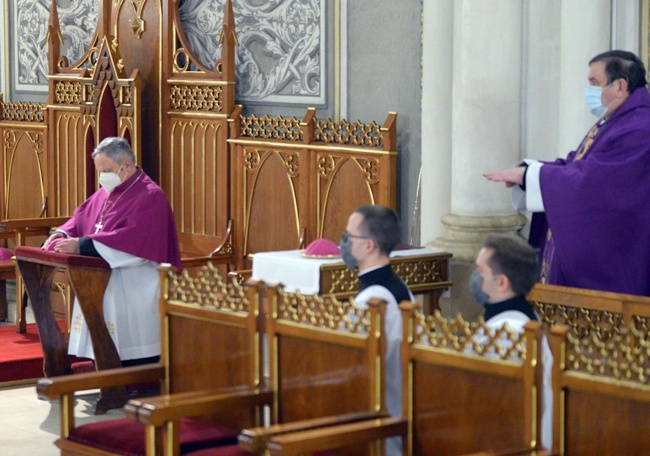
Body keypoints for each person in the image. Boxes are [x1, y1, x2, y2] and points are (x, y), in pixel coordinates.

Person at [484, 50, 650, 296]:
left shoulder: (639, 126)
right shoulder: (617, 120)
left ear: (620, 86)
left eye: (594, 82)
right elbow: (575, 164)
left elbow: (597, 181)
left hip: (619, 263)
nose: (589, 90)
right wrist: (529, 172)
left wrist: (532, 177)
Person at [42, 137, 181, 366]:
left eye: (106, 170)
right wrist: (62, 234)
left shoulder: (151, 196)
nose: (102, 178)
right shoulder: (109, 190)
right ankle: (105, 367)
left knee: (129, 345)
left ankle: (135, 374)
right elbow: (80, 217)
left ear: (125, 165)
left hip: (135, 280)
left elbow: (136, 243)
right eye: (99, 171)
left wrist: (83, 245)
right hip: (101, 276)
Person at [339, 204, 413, 456]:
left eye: (348, 236)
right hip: (396, 407)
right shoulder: (399, 286)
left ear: (369, 245)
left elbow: (349, 363)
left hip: (378, 416)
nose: (344, 242)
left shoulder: (372, 301)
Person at [469, 234, 552, 450]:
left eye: (480, 271)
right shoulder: (520, 318)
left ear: (502, 282)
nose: (474, 278)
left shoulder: (507, 333)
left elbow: (486, 400)